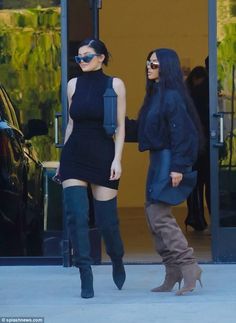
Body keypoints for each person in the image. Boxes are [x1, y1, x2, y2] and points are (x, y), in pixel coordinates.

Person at [126, 48, 203, 295]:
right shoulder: (156, 95)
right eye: (148, 62)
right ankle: (173, 271)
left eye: (155, 64)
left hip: (169, 160)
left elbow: (182, 133)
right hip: (158, 160)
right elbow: (145, 130)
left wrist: (178, 167)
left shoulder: (171, 96)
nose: (149, 66)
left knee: (160, 215)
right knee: (152, 216)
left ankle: (190, 267)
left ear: (167, 67)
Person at [58, 38, 126, 298]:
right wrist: (63, 159)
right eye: (78, 58)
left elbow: (119, 126)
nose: (82, 61)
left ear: (101, 57)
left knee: (108, 222)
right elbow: (71, 125)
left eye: (87, 57)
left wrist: (117, 159)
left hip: (102, 154)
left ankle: (117, 258)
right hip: (75, 154)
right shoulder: (72, 84)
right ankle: (85, 273)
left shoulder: (115, 84)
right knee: (77, 216)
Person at [185, 66, 210, 231]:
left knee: (194, 184)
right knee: (210, 183)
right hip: (209, 144)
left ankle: (196, 218)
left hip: (193, 144)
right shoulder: (207, 91)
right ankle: (215, 221)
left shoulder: (189, 95)